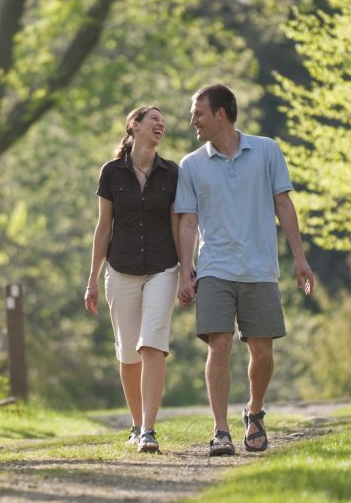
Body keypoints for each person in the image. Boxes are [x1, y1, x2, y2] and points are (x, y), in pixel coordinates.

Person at [175, 84, 314, 456]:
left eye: (198, 113)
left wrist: (300, 258)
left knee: (262, 352)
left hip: (259, 267)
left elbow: (283, 205)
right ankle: (221, 431)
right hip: (214, 268)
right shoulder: (191, 165)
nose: (192, 121)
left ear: (221, 113)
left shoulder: (266, 150)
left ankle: (254, 412)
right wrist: (186, 269)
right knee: (218, 345)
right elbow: (187, 222)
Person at [84, 105, 179, 453]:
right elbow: (103, 227)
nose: (160, 123)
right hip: (120, 269)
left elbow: (176, 224)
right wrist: (92, 279)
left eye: (162, 120)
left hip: (162, 267)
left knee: (152, 343)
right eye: (153, 118)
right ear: (134, 126)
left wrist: (187, 272)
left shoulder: (172, 173)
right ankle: (137, 423)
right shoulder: (111, 173)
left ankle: (150, 431)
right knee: (128, 354)